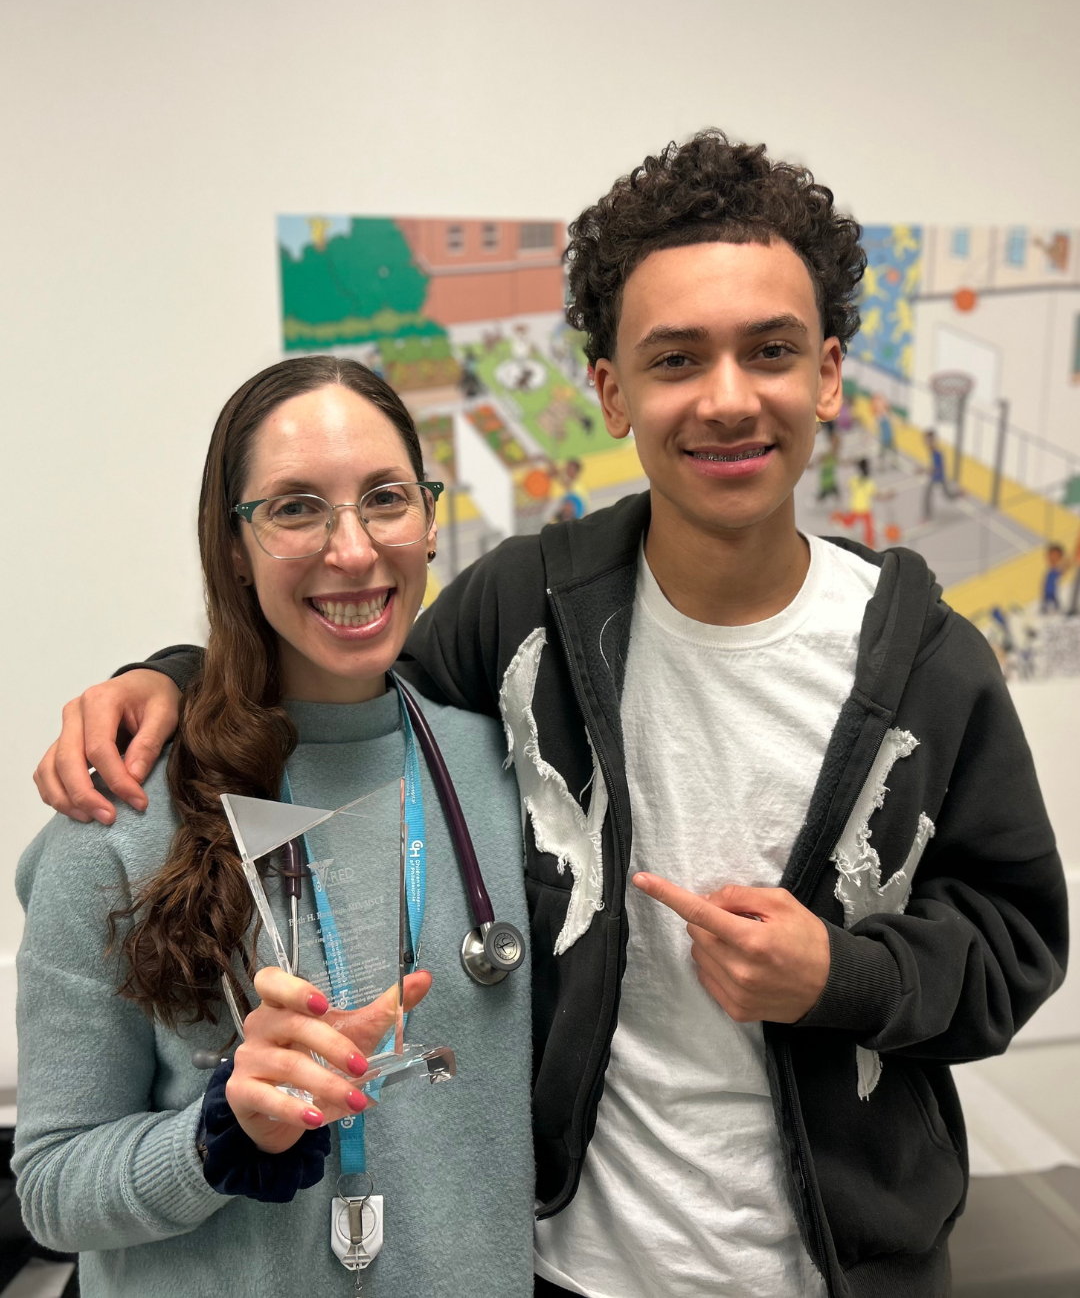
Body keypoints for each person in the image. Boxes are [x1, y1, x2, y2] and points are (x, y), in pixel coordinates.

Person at [34, 133, 1067, 1298]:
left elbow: (1015, 942)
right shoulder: (527, 610)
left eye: (769, 351)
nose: (727, 399)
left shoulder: (930, 663)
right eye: (676, 358)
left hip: (846, 1266)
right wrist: (172, 672)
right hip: (569, 1268)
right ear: (612, 391)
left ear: (827, 374)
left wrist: (843, 976)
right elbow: (342, 664)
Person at [16, 358, 534, 1297]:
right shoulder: (125, 810)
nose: (352, 549)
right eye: (296, 508)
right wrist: (220, 1134)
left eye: (386, 498)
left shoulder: (510, 776)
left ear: (427, 520)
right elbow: (50, 1189)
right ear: (235, 548)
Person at [830, 456, 877, 547]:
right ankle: (869, 541)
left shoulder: (854, 480)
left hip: (856, 506)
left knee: (853, 522)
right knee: (867, 525)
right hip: (864, 507)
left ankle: (838, 519)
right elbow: (875, 494)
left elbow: (849, 486)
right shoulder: (868, 482)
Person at [922, 427, 960, 521]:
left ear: (932, 439)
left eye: (928, 440)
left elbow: (938, 467)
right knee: (934, 494)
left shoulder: (936, 451)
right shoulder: (932, 450)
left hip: (938, 476)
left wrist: (927, 470)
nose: (926, 442)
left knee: (945, 495)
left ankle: (959, 494)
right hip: (936, 476)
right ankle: (927, 515)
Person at [1041, 542, 1065, 613]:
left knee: (1053, 599)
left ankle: (1057, 607)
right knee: (1047, 599)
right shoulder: (1050, 571)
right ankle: (1045, 608)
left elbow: (1059, 574)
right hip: (1047, 589)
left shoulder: (1056, 570)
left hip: (1052, 589)